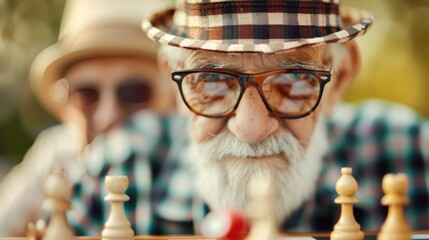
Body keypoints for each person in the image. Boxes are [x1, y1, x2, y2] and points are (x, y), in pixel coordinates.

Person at [141, 0, 429, 233]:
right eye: (211, 79)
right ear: (173, 83)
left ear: (339, 77)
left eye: (293, 78)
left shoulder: (413, 153)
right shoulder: (124, 164)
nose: (250, 129)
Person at [0, 0, 175, 236]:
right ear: (66, 100)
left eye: (134, 93)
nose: (107, 115)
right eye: (86, 93)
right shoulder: (54, 152)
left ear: (173, 95)